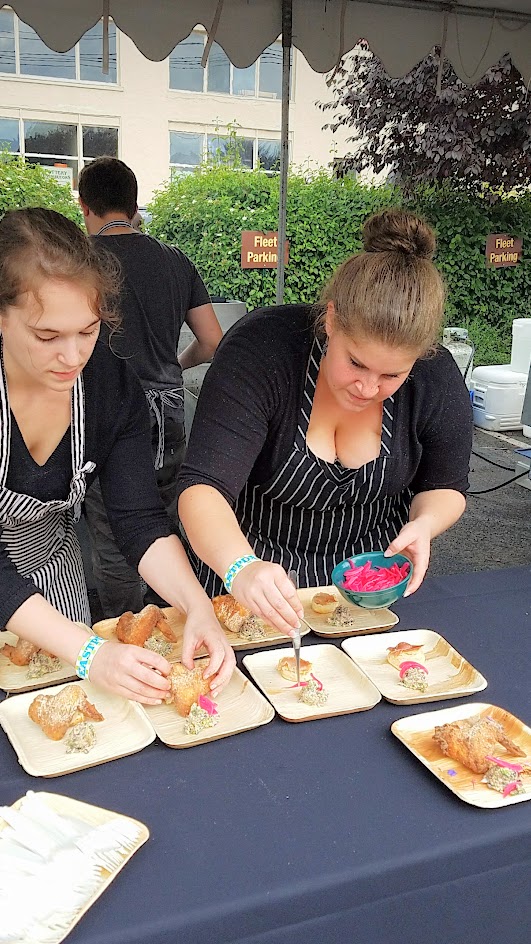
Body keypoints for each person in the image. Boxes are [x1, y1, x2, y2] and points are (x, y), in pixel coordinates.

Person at [177, 208, 473, 635]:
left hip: (369, 592)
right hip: (251, 583)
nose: (369, 388)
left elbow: (445, 486)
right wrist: (240, 566)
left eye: (392, 375)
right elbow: (202, 488)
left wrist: (424, 524)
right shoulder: (263, 351)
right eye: (355, 363)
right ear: (331, 320)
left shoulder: (435, 376)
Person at [0, 207, 234, 703]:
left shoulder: (107, 384)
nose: (73, 357)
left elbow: (139, 521)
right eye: (47, 336)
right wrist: (89, 653)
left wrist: (196, 606)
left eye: (87, 331)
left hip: (52, 573)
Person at [77, 157, 222, 617]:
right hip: (169, 415)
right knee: (163, 523)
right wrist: (177, 364)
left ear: (84, 205)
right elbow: (214, 341)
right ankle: (172, 619)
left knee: (112, 531)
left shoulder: (79, 262)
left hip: (106, 415)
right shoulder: (174, 260)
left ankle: (129, 627)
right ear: (134, 204)